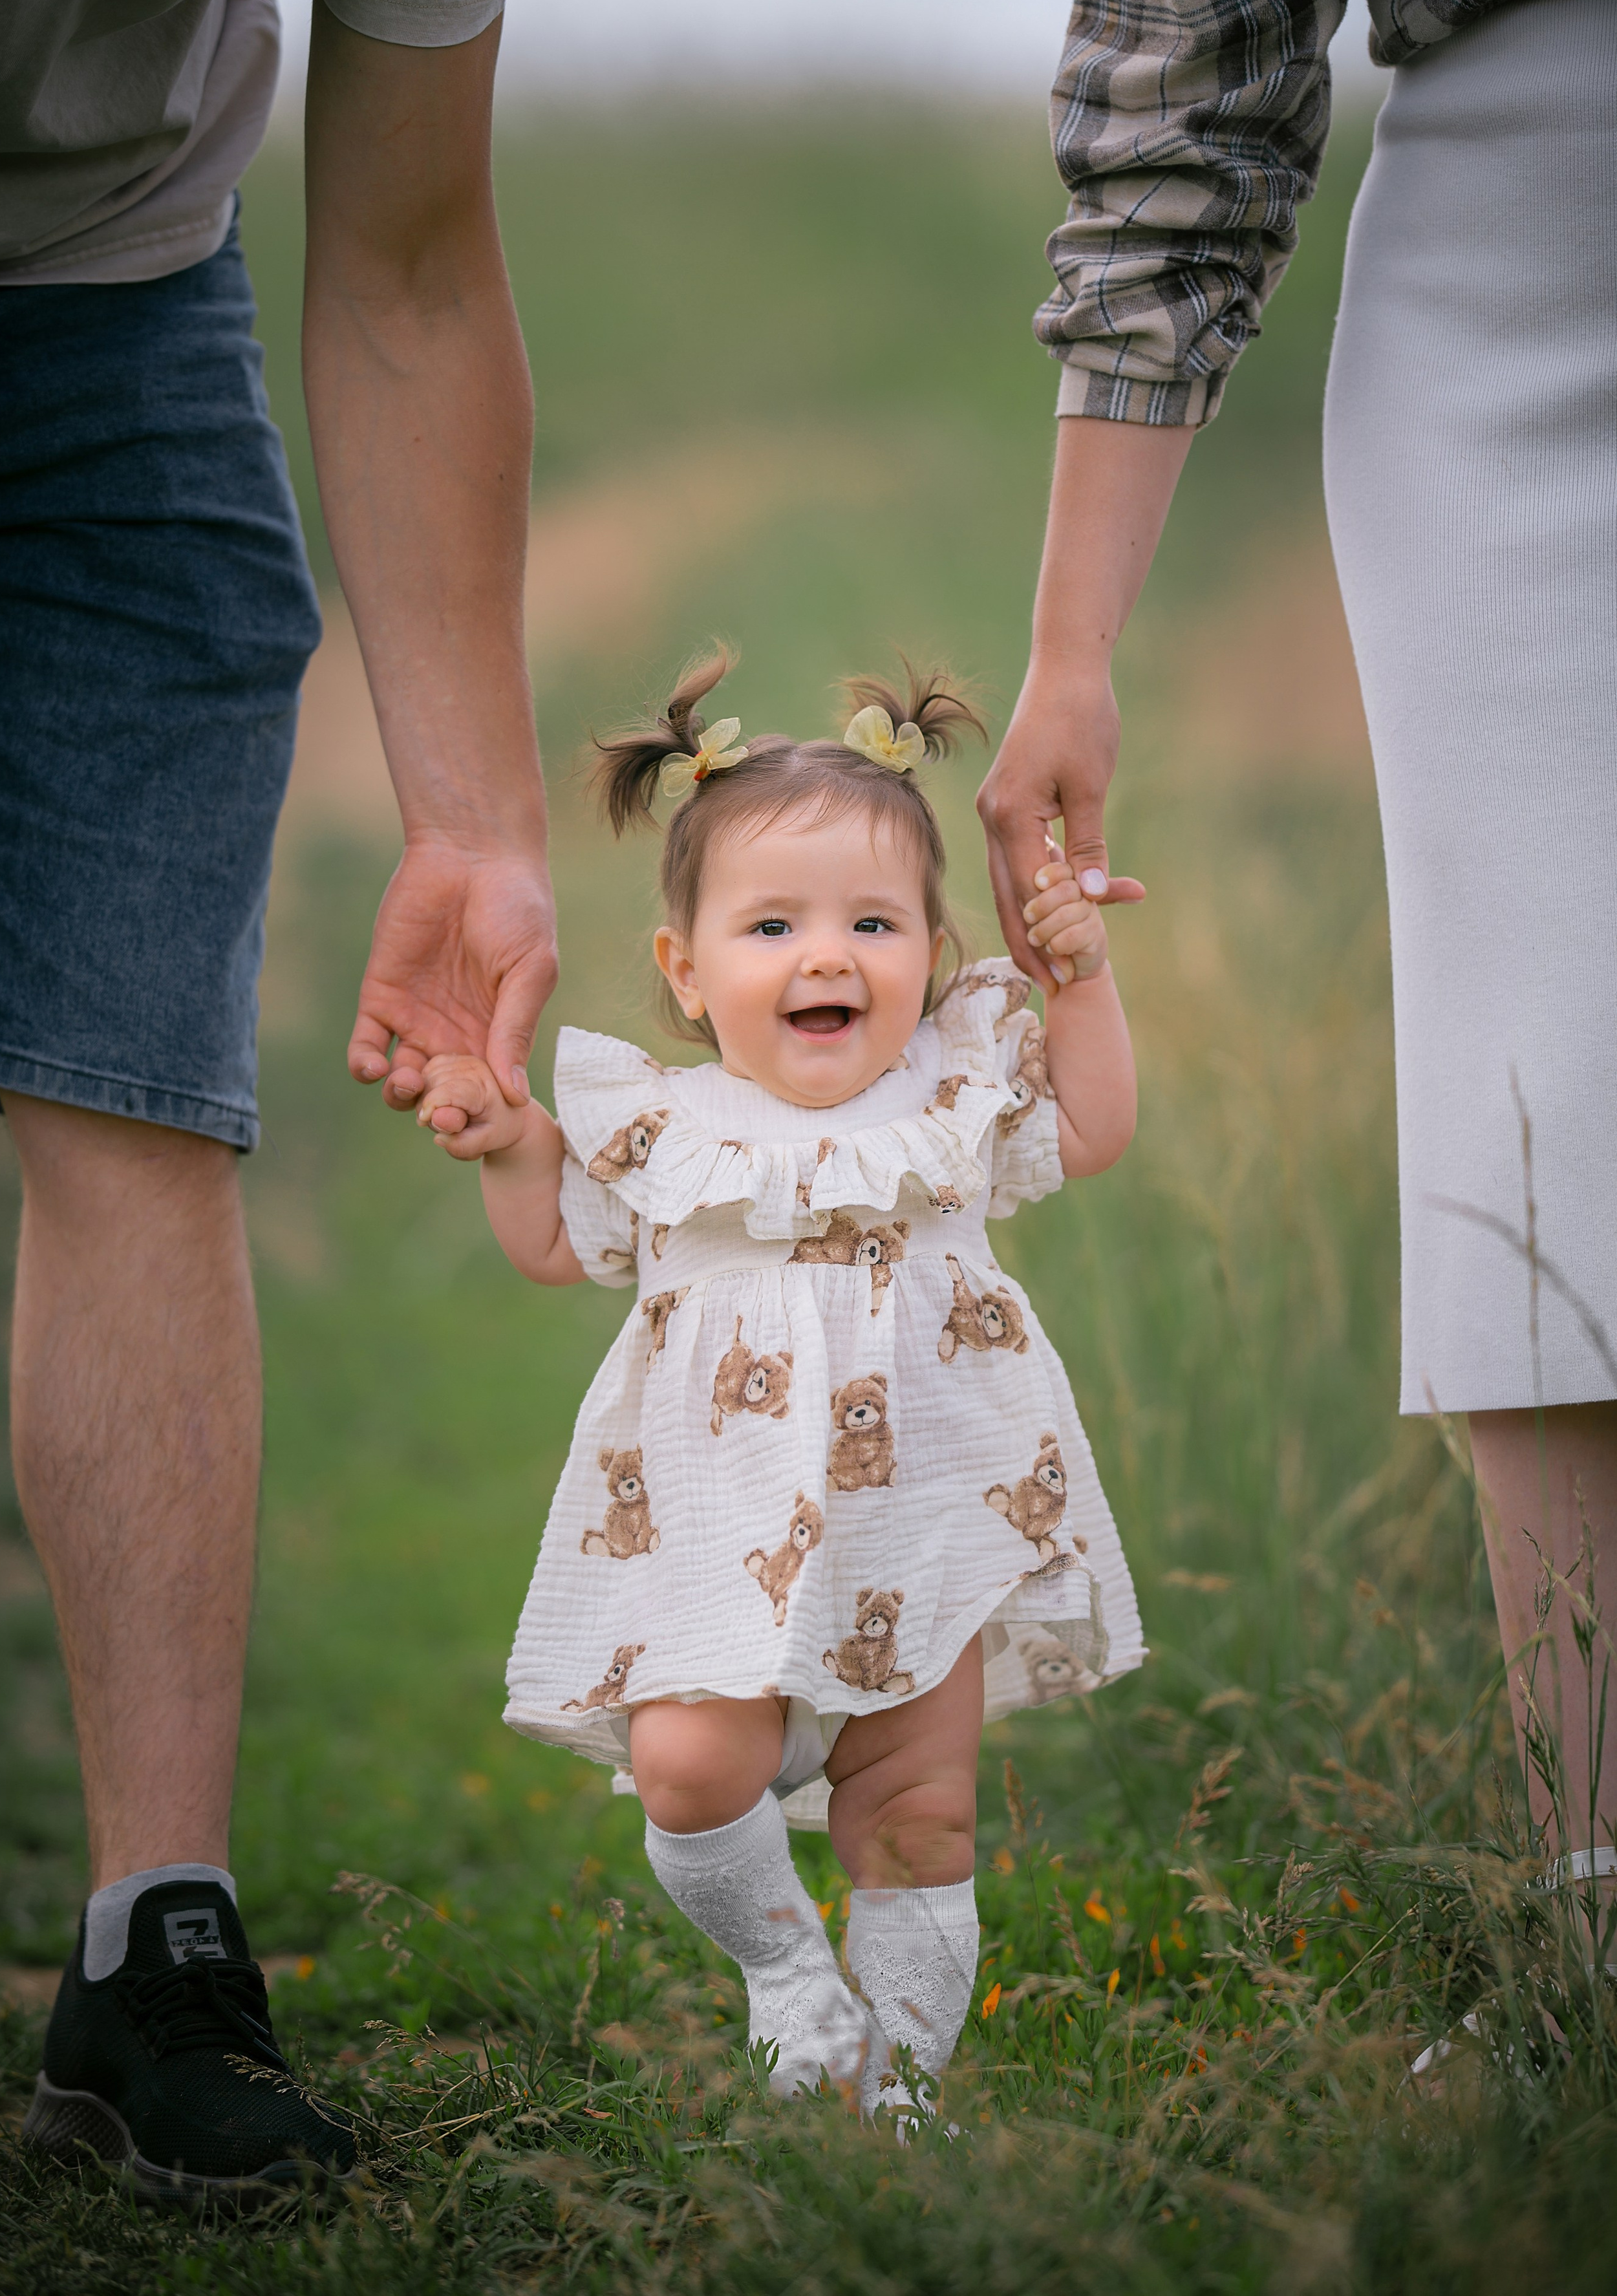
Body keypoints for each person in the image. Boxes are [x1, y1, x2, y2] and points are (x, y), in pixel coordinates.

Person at [0, 0, 561, 2202]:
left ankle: (154, 1947)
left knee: (141, 1086)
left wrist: (478, 819)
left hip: (115, 304)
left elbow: (409, 262)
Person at [978, 0, 1617, 1896]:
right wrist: (1071, 652)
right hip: (1514, 262)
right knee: (1538, 1083)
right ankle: (1593, 1892)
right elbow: (1193, 70)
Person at [412, 654, 1145, 2121]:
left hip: (925, 1529)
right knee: (686, 1765)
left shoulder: (945, 1093)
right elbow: (562, 1242)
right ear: (688, 968)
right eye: (772, 924)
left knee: (919, 1816)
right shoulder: (666, 1124)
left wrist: (1080, 975)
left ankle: (901, 2099)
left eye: (871, 922)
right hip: (716, 1536)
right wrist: (506, 1146)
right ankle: (788, 1983)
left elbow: (1093, 1124)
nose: (827, 954)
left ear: (926, 951)